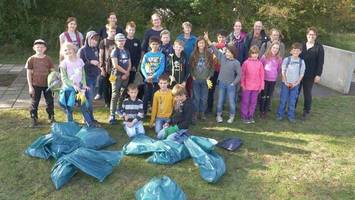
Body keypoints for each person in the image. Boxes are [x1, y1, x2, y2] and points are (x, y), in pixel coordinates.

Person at [59, 42, 99, 127]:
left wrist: (83, 84)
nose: (67, 51)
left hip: (80, 88)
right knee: (69, 107)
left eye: (69, 49)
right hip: (69, 89)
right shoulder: (63, 63)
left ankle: (90, 123)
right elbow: (64, 78)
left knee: (83, 105)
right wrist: (73, 85)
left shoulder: (80, 61)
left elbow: (83, 74)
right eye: (65, 50)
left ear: (74, 50)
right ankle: (70, 124)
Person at [204, 32, 241, 123]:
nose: (228, 54)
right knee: (220, 101)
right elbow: (214, 49)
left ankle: (232, 116)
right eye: (227, 52)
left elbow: (240, 75)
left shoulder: (236, 63)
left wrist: (233, 83)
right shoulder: (222, 58)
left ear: (233, 53)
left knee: (231, 102)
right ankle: (219, 115)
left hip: (231, 85)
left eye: (230, 52)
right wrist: (207, 39)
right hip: (221, 84)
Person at [25, 39, 55, 127]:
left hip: (47, 85)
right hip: (35, 85)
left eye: (42, 47)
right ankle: (34, 118)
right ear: (34, 48)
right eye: (37, 47)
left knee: (50, 101)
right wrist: (30, 86)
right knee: (34, 102)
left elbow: (52, 72)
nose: (40, 48)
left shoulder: (48, 59)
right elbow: (28, 74)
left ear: (45, 48)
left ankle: (51, 116)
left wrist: (54, 83)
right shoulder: (31, 59)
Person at [298, 27, 324, 120]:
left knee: (307, 93)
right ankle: (292, 109)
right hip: (298, 74)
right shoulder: (301, 45)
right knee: (295, 92)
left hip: (310, 75)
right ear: (306, 35)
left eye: (313, 35)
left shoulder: (319, 47)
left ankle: (306, 111)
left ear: (316, 36)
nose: (311, 36)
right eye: (309, 34)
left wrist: (318, 75)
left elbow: (320, 62)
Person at [277, 43, 305, 123]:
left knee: (292, 101)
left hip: (295, 85)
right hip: (285, 84)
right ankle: (280, 115)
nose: (296, 52)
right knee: (283, 100)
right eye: (294, 50)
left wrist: (296, 83)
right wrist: (285, 81)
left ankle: (291, 116)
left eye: (298, 50)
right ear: (291, 51)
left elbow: (301, 74)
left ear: (300, 52)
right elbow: (283, 71)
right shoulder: (287, 60)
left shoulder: (301, 62)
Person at [108, 33, 131, 124]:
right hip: (116, 76)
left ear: (125, 41)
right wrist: (125, 72)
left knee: (123, 93)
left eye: (123, 40)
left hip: (126, 75)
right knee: (115, 94)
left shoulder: (127, 50)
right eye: (119, 40)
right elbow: (115, 65)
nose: (121, 42)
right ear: (116, 41)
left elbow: (129, 63)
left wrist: (127, 72)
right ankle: (112, 114)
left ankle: (119, 109)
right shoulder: (114, 51)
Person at [78, 31, 100, 122]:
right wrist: (90, 62)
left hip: (94, 76)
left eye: (96, 40)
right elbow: (78, 64)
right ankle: (88, 118)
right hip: (86, 78)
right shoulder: (82, 50)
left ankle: (89, 117)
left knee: (90, 99)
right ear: (87, 39)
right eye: (93, 39)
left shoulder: (95, 49)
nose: (95, 41)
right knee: (88, 99)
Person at [190, 36, 214, 121]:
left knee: (204, 98)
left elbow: (212, 67)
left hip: (205, 80)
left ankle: (202, 113)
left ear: (205, 44)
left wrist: (209, 76)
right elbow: (190, 67)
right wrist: (192, 75)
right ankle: (195, 114)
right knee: (196, 98)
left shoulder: (208, 54)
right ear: (197, 44)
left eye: (203, 43)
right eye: (199, 43)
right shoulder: (193, 54)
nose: (201, 44)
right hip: (196, 79)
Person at [140, 36, 165, 114]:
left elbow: (161, 68)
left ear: (159, 45)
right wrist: (147, 77)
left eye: (157, 44)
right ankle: (143, 112)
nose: (155, 46)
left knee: (155, 96)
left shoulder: (161, 55)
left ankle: (154, 112)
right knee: (146, 95)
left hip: (156, 80)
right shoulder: (146, 55)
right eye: (153, 44)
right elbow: (142, 67)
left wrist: (153, 76)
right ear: (150, 45)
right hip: (147, 80)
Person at [240, 46, 264, 124]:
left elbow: (262, 75)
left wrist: (261, 86)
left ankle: (250, 116)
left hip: (256, 87)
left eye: (256, 53)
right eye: (253, 53)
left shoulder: (260, 63)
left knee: (253, 102)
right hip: (247, 86)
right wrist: (242, 84)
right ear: (250, 54)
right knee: (245, 102)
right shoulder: (246, 63)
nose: (254, 55)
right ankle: (244, 116)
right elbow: (242, 74)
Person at [259, 41, 282, 118]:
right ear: (271, 48)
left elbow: (279, 69)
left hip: (273, 80)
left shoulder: (279, 58)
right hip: (264, 79)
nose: (275, 49)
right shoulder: (265, 56)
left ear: (279, 50)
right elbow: (260, 67)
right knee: (263, 95)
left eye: (277, 48)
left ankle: (265, 111)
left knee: (269, 96)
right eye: (274, 48)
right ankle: (261, 109)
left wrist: (275, 75)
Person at [207, 30, 227, 114]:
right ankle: (209, 108)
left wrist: (213, 44)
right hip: (213, 71)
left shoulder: (227, 46)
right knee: (211, 90)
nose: (221, 38)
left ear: (225, 38)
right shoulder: (212, 46)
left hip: (223, 72)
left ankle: (220, 110)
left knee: (221, 91)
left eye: (222, 37)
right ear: (217, 37)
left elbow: (223, 46)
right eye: (219, 37)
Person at [96, 25, 116, 107]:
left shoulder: (116, 41)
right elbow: (100, 55)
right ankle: (106, 102)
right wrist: (102, 68)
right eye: (111, 31)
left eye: (114, 31)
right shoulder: (103, 42)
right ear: (107, 31)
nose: (113, 33)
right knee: (105, 85)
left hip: (114, 69)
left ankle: (111, 102)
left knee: (112, 85)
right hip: (105, 68)